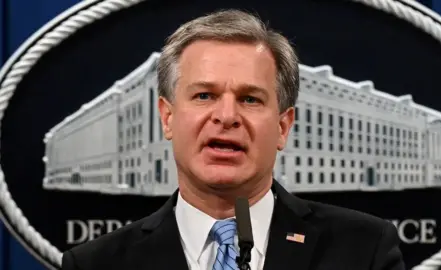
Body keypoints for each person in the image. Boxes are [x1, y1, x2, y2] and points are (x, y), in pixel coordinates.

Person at [61, 9, 405, 270]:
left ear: (283, 127)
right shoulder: (95, 264)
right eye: (204, 96)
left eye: (250, 99)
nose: (226, 116)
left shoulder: (364, 250)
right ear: (167, 117)